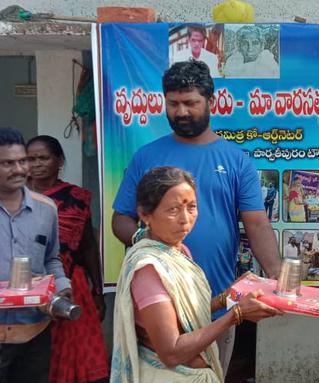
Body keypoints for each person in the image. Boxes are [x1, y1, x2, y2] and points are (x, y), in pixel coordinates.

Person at [111, 60, 281, 375]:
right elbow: (121, 219)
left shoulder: (236, 160)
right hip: (158, 305)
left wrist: (277, 276)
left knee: (210, 375)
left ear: (211, 102)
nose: (182, 111)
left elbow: (257, 224)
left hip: (217, 301)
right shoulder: (146, 156)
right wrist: (154, 249)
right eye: (173, 103)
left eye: (191, 103)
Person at [111, 166, 282, 382]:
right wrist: (236, 315)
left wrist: (224, 299)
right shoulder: (150, 269)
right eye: (173, 210)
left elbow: (181, 315)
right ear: (145, 214)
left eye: (191, 207)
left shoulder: (179, 252)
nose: (185, 219)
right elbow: (172, 352)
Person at [26, 135, 108, 383]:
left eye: (44, 158)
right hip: (23, 289)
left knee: (75, 354)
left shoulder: (76, 197)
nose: (37, 164)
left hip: (70, 285)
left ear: (59, 160)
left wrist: (98, 291)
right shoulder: (15, 197)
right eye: (30, 159)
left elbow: (87, 246)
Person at [0, 127, 72, 383]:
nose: (19, 169)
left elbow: (51, 257)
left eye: (23, 161)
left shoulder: (46, 209)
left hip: (34, 330)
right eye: (7, 163)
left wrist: (62, 286)